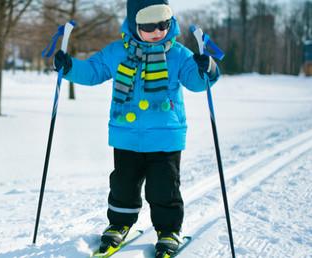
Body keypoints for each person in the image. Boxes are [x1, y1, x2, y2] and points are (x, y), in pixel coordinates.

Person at [53, 0, 220, 256]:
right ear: (134, 24)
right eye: (149, 25)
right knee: (123, 185)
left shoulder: (177, 54)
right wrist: (70, 67)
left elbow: (197, 84)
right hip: (126, 135)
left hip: (165, 137)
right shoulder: (117, 52)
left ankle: (168, 230)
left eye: (163, 24)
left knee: (164, 188)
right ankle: (119, 224)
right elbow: (93, 71)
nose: (158, 31)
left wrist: (206, 69)